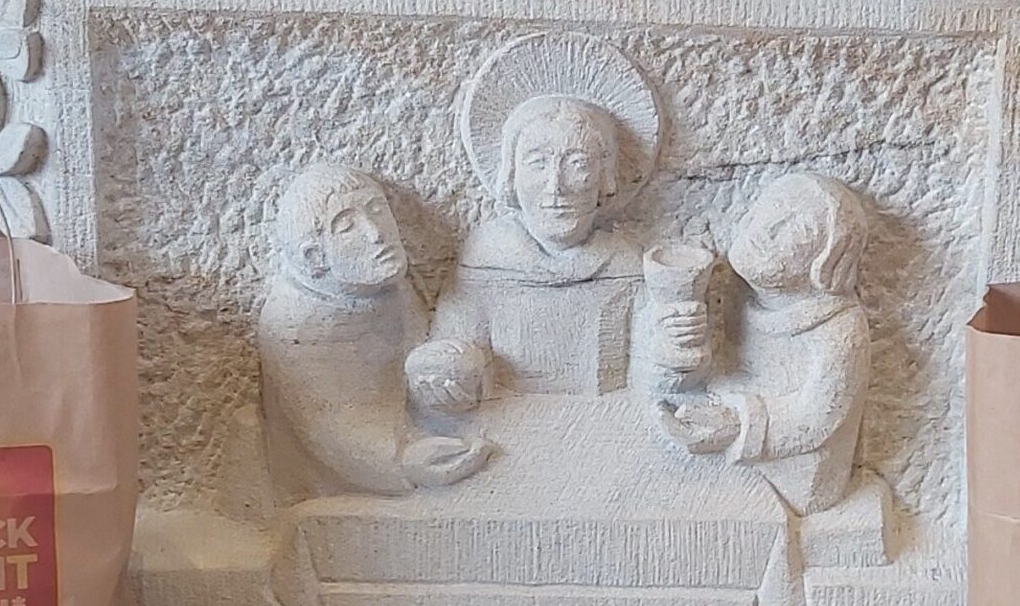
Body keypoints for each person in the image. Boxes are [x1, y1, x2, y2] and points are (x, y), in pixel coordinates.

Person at [258, 164, 492, 497]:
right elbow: (325, 427)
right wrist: (403, 460)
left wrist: (443, 384)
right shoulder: (295, 322)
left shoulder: (388, 283)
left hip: (415, 429)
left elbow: (415, 359)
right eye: (347, 226)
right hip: (346, 473)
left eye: (377, 209)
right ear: (314, 257)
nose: (376, 233)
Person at [654, 173, 872, 514]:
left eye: (799, 229)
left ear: (827, 262)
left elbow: (817, 417)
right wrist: (678, 350)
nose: (769, 229)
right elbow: (715, 366)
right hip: (723, 435)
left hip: (794, 478)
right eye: (775, 207)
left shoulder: (839, 330)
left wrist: (738, 425)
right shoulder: (733, 287)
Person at [417, 95, 645, 404]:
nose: (555, 187)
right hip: (505, 421)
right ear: (511, 173)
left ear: (605, 175)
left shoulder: (626, 262)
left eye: (578, 164)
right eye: (538, 163)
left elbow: (655, 369)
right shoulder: (487, 256)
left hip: (610, 421)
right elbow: (452, 349)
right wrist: (440, 376)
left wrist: (677, 348)